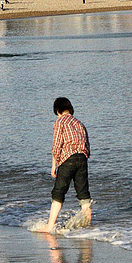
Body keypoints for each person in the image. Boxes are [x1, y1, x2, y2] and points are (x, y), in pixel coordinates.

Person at [39, 97, 92, 233]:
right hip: (82, 158)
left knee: (59, 192)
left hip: (68, 159)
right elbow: (87, 144)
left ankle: (50, 225)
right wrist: (85, 157)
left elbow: (57, 146)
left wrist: (54, 166)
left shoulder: (60, 122)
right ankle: (88, 226)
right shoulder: (79, 123)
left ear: (58, 110)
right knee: (83, 193)